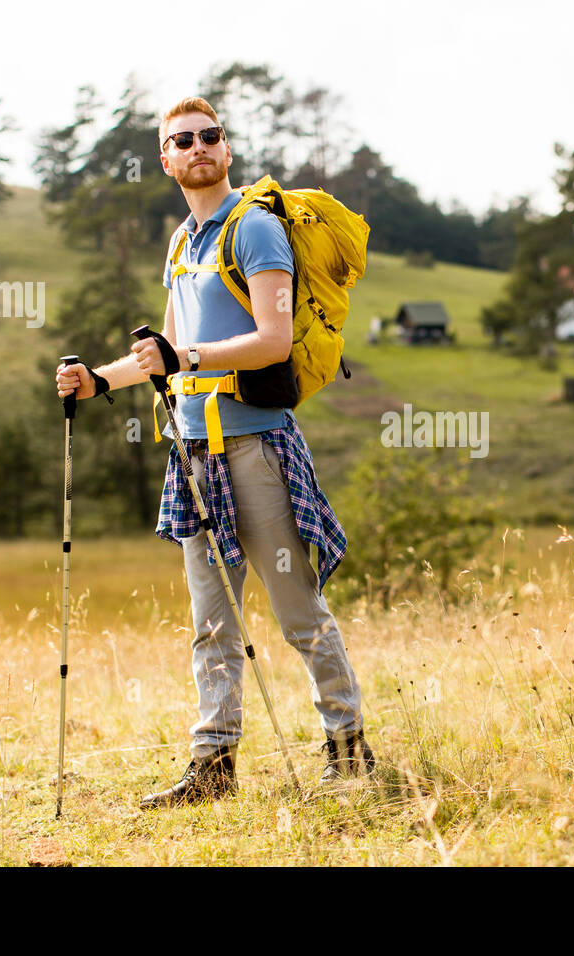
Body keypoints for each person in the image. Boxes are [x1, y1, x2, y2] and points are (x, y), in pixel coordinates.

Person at [54, 96, 372, 807]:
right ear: (166, 161)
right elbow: (161, 357)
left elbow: (274, 339)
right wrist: (97, 380)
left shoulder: (255, 230)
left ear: (226, 152)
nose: (199, 146)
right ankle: (213, 770)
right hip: (192, 454)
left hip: (256, 445)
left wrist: (186, 354)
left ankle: (349, 753)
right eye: (183, 140)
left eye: (211, 136)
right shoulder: (180, 245)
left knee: (298, 612)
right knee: (211, 625)